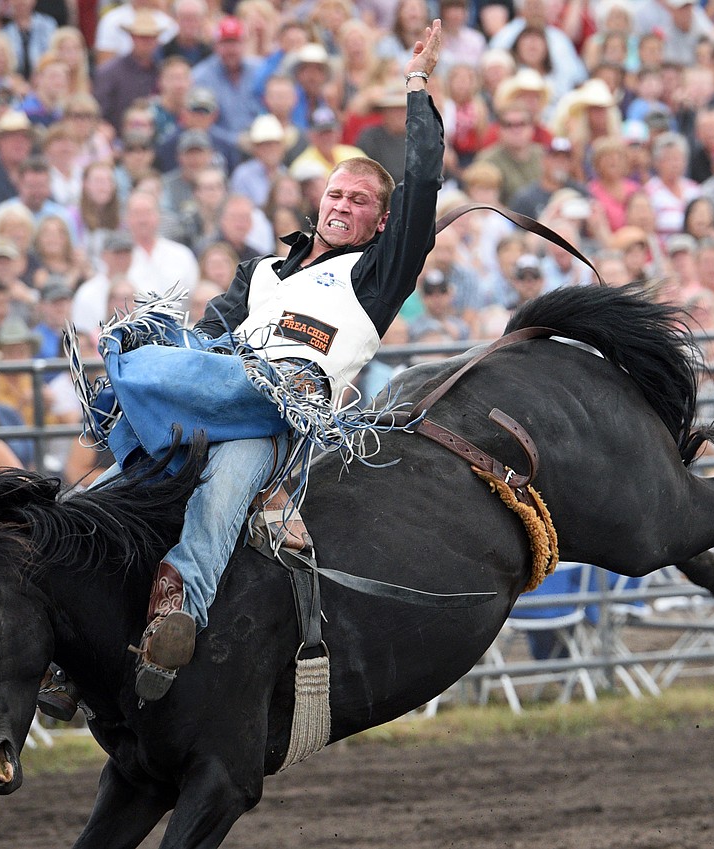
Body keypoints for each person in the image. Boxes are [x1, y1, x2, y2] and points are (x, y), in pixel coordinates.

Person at [66, 21, 447, 708]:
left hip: (278, 412)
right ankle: (68, 649)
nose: (343, 205)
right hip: (219, 389)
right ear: (319, 200)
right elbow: (212, 330)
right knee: (102, 496)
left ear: (382, 224)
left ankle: (172, 615)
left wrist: (416, 85)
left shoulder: (377, 275)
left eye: (360, 201)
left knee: (219, 493)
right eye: (337, 194)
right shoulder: (261, 269)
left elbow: (422, 182)